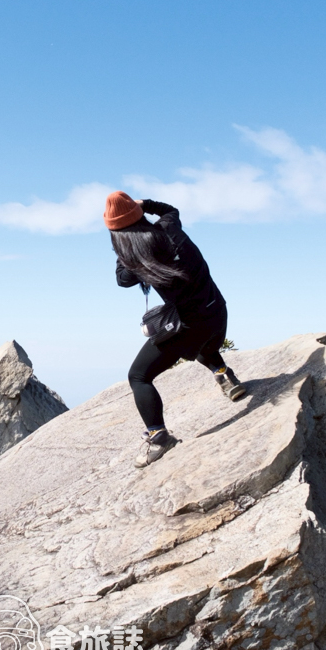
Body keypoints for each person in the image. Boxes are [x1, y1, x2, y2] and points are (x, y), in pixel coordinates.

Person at [105, 191, 247, 468]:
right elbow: (170, 208)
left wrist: (124, 249)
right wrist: (142, 205)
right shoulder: (170, 227)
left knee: (138, 376)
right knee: (201, 345)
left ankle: (159, 438)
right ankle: (224, 375)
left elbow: (122, 280)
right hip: (217, 312)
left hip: (187, 328)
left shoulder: (135, 260)